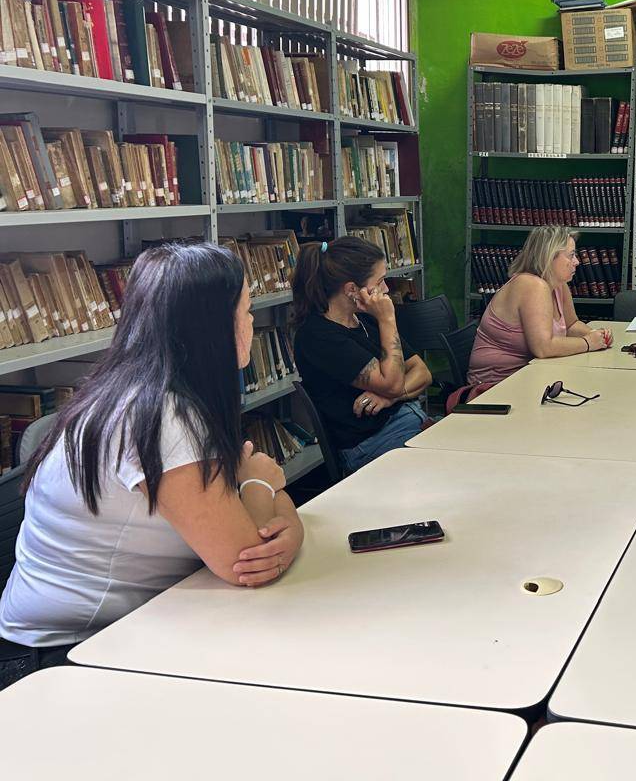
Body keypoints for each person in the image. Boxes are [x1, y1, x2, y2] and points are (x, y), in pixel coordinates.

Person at [0, 242, 304, 652]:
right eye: (247, 311)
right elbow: (246, 561)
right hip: (67, 651)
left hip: (121, 626)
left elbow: (256, 534)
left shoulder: (137, 390)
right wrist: (261, 483)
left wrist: (289, 526)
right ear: (212, 330)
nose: (252, 321)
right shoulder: (163, 418)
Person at [291, 237, 432, 474]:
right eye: (380, 281)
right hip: (372, 444)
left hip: (407, 420)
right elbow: (393, 383)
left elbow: (422, 372)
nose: (386, 289)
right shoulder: (319, 336)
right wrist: (388, 319)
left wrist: (389, 398)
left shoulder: (365, 319)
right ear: (351, 290)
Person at [468, 225, 611, 386]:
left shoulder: (558, 284)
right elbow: (543, 347)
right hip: (494, 386)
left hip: (526, 376)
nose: (577, 262)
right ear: (549, 257)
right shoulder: (531, 285)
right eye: (571, 255)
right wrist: (588, 343)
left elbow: (571, 325)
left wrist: (596, 335)